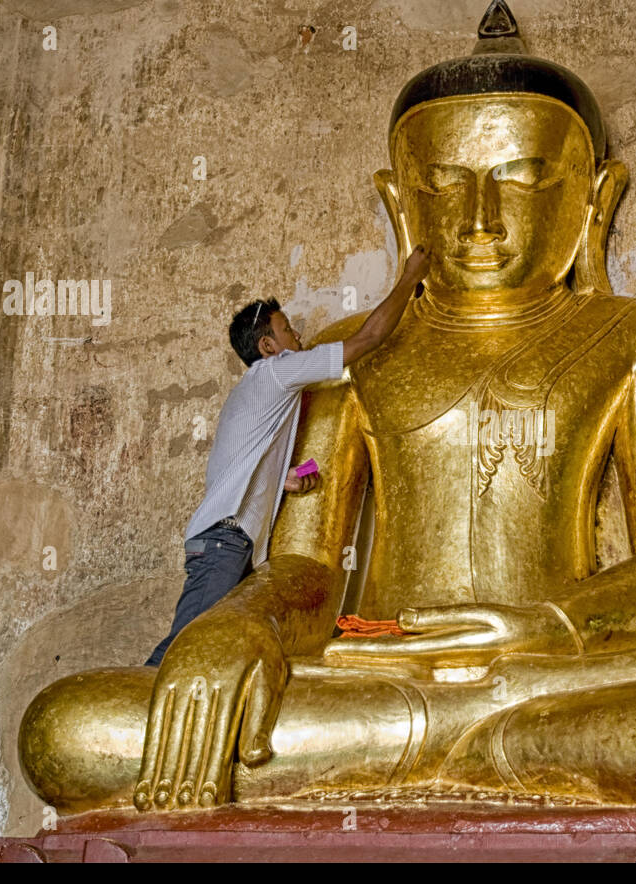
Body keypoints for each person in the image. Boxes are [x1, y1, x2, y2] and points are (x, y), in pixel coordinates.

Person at [145, 246, 431, 665]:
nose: (299, 338)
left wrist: (281, 480)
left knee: (212, 649)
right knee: (185, 648)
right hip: (223, 541)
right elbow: (367, 340)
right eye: (288, 331)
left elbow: (232, 467)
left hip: (227, 541)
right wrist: (409, 278)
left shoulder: (255, 392)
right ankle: (135, 711)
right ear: (268, 346)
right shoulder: (277, 371)